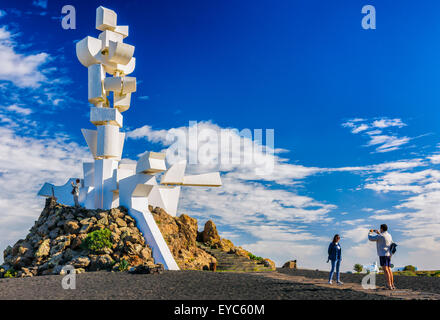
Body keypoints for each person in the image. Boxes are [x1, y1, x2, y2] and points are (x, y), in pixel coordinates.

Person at [368, 224, 395, 290]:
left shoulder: (380, 235)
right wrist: (378, 233)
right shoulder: (389, 235)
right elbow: (383, 237)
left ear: (382, 228)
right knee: (389, 269)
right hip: (388, 254)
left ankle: (389, 285)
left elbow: (371, 238)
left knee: (386, 270)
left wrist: (370, 232)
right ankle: (392, 284)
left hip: (383, 254)